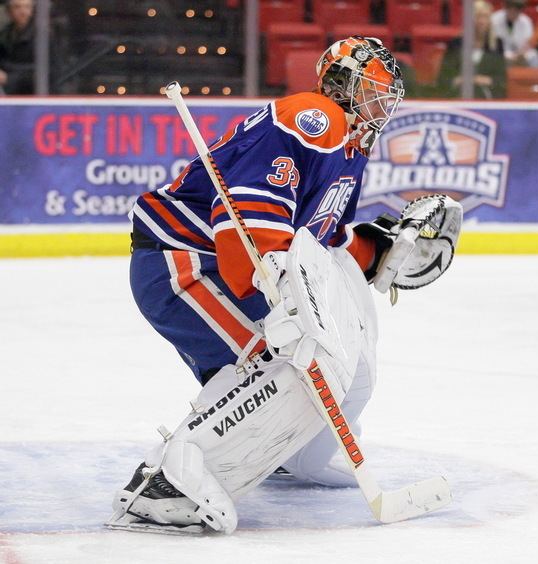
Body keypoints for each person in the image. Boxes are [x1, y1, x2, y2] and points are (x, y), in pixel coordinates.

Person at [106, 36, 462, 535]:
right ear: (341, 84)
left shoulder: (350, 148)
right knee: (285, 360)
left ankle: (290, 453)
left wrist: (380, 254)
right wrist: (273, 289)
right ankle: (165, 484)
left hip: (219, 265)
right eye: (373, 87)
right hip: (186, 263)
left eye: (388, 93)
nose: (383, 102)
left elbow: (321, 241)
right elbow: (250, 222)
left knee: (312, 358)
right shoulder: (315, 117)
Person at [436, 0, 507, 98]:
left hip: (488, 97)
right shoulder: (456, 44)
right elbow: (444, 78)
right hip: (458, 95)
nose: (481, 21)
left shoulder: (497, 45)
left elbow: (501, 80)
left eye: (485, 17)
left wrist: (474, 79)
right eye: (478, 17)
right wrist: (463, 80)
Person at [491, 0, 538, 67]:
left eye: (517, 9)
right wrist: (508, 55)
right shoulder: (494, 19)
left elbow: (528, 44)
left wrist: (519, 54)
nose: (513, 12)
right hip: (501, 54)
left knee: (534, 56)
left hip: (520, 54)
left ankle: (535, 76)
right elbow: (492, 43)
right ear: (505, 7)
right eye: (510, 8)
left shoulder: (526, 21)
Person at [0, 0, 34, 95]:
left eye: (27, 7)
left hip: (34, 97)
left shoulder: (43, 36)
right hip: (8, 95)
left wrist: (8, 78)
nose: (23, 12)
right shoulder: (4, 35)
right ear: (8, 11)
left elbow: (48, 71)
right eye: (17, 7)